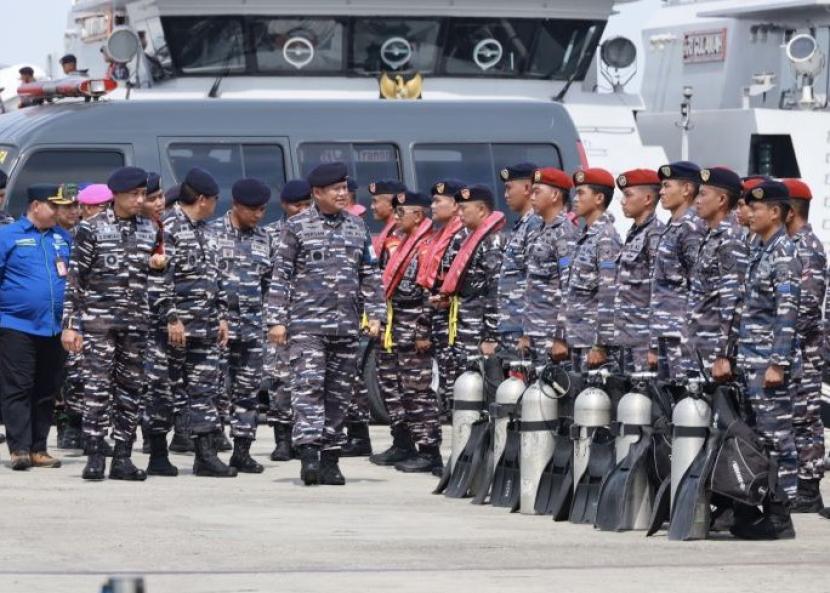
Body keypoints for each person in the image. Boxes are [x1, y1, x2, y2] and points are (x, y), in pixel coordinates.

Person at [266, 162, 383, 486]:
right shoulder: (297, 226)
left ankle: (331, 458)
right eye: (335, 189)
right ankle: (309, 455)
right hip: (306, 326)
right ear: (317, 193)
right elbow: (281, 275)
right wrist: (276, 320)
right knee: (308, 389)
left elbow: (369, 274)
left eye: (344, 188)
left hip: (345, 326)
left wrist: (375, 315)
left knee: (339, 395)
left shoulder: (357, 226)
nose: (342, 194)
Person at [62, 167, 167, 481]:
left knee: (131, 392)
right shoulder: (90, 229)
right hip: (99, 325)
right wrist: (70, 324)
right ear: (116, 196)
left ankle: (123, 455)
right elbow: (75, 280)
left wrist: (159, 270)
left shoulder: (150, 230)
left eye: (142, 194)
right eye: (133, 195)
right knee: (97, 390)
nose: (139, 200)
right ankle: (95, 453)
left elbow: (155, 278)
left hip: (136, 325)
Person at [157, 168, 236, 478]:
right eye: (215, 200)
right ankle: (157, 453)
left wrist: (221, 318)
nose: (217, 205)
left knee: (204, 391)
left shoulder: (206, 230)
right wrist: (172, 317)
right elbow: (160, 279)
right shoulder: (168, 228)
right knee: (164, 391)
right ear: (202, 199)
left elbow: (214, 279)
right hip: (174, 330)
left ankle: (205, 456)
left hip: (204, 327)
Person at [732, 180, 800, 539]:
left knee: (777, 441)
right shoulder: (761, 250)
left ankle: (780, 516)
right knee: (757, 438)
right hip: (751, 361)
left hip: (768, 365)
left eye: (755, 208)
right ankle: (757, 508)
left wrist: (778, 363)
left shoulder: (784, 255)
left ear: (774, 212)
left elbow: (787, 313)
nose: (749, 213)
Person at [0, 184, 71, 470]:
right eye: (53, 206)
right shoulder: (8, 236)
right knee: (18, 386)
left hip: (54, 327)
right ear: (35, 206)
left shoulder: (63, 238)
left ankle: (39, 448)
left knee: (46, 388)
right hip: (16, 325)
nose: (59, 212)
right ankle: (19, 448)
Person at [375, 190, 442, 473]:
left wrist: (423, 331)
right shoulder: (401, 244)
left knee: (418, 391)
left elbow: (428, 290)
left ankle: (429, 451)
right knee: (393, 387)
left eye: (402, 213)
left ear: (418, 215)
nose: (397, 218)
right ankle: (403, 443)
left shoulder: (425, 246)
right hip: (394, 323)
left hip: (413, 323)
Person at [210, 178, 273, 474]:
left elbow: (270, 284)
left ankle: (242, 451)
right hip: (218, 326)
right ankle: (209, 448)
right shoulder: (210, 235)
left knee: (247, 391)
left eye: (262, 210)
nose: (258, 215)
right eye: (252, 210)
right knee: (212, 388)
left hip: (251, 327)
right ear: (235, 205)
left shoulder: (264, 239)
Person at [782, 177, 826, 513]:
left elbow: (808, 308)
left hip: (804, 350)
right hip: (789, 348)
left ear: (789, 210)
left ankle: (809, 489)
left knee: (806, 417)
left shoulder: (807, 248)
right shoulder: (787, 246)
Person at [265, 180, 313, 461]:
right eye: (298, 206)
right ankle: (282, 438)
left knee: (308, 381)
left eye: (308, 205)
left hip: (310, 317)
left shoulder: (317, 230)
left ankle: (305, 437)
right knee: (280, 380)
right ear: (284, 205)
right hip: (280, 317)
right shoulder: (271, 234)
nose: (303, 210)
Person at [555, 169, 620, 371]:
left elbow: (608, 294)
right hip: (577, 339)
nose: (575, 199)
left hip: (591, 344)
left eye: (582, 193)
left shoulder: (606, 237)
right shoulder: (585, 237)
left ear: (599, 198)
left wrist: (600, 344)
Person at [687, 167, 749, 377]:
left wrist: (724, 354)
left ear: (722, 200)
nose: (697, 200)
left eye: (703, 194)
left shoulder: (730, 239)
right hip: (697, 344)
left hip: (713, 351)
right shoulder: (710, 236)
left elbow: (733, 300)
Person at [648, 161, 705, 381]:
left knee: (682, 399)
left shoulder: (692, 228)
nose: (661, 192)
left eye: (667, 186)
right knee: (666, 400)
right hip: (664, 330)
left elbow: (697, 283)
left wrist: (689, 333)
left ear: (687, 189)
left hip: (681, 333)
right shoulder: (672, 226)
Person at [435, 185, 505, 361]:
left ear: (481, 210)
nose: (459, 214)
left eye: (464, 208)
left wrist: (491, 336)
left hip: (479, 333)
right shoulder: (469, 239)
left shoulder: (492, 242)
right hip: (464, 329)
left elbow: (495, 291)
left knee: (479, 385)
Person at [416, 180, 465, 417]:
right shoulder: (439, 237)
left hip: (455, 321)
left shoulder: (461, 236)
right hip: (438, 318)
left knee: (458, 385)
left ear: (456, 205)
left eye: (438, 201)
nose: (432, 206)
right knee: (445, 381)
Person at [519, 167, 577, 364]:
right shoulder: (538, 231)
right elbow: (531, 285)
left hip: (551, 333)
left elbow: (568, 285)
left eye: (537, 192)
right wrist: (526, 332)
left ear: (554, 195)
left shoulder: (564, 233)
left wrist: (561, 336)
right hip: (534, 331)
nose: (531, 197)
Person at [613, 169, 664, 372]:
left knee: (643, 400)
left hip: (643, 340)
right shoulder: (634, 233)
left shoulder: (655, 235)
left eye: (628, 195)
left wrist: (654, 344)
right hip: (626, 337)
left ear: (648, 198)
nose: (623, 201)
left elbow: (658, 293)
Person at [496, 163, 541, 355]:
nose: (505, 195)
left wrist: (528, 331)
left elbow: (536, 281)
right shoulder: (521, 226)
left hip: (523, 328)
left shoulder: (535, 225)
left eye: (509, 188)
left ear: (527, 188)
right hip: (511, 324)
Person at [369, 180, 406, 267]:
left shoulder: (399, 232)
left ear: (391, 204)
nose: (371, 206)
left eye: (375, 201)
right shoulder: (390, 230)